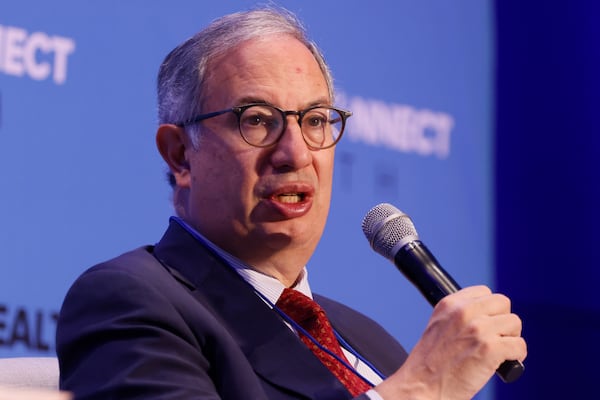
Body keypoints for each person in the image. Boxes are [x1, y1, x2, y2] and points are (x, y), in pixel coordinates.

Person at [56, 7, 527, 400]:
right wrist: (423, 387)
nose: (296, 153)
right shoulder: (131, 302)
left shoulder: (370, 341)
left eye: (316, 120)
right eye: (258, 120)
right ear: (181, 155)